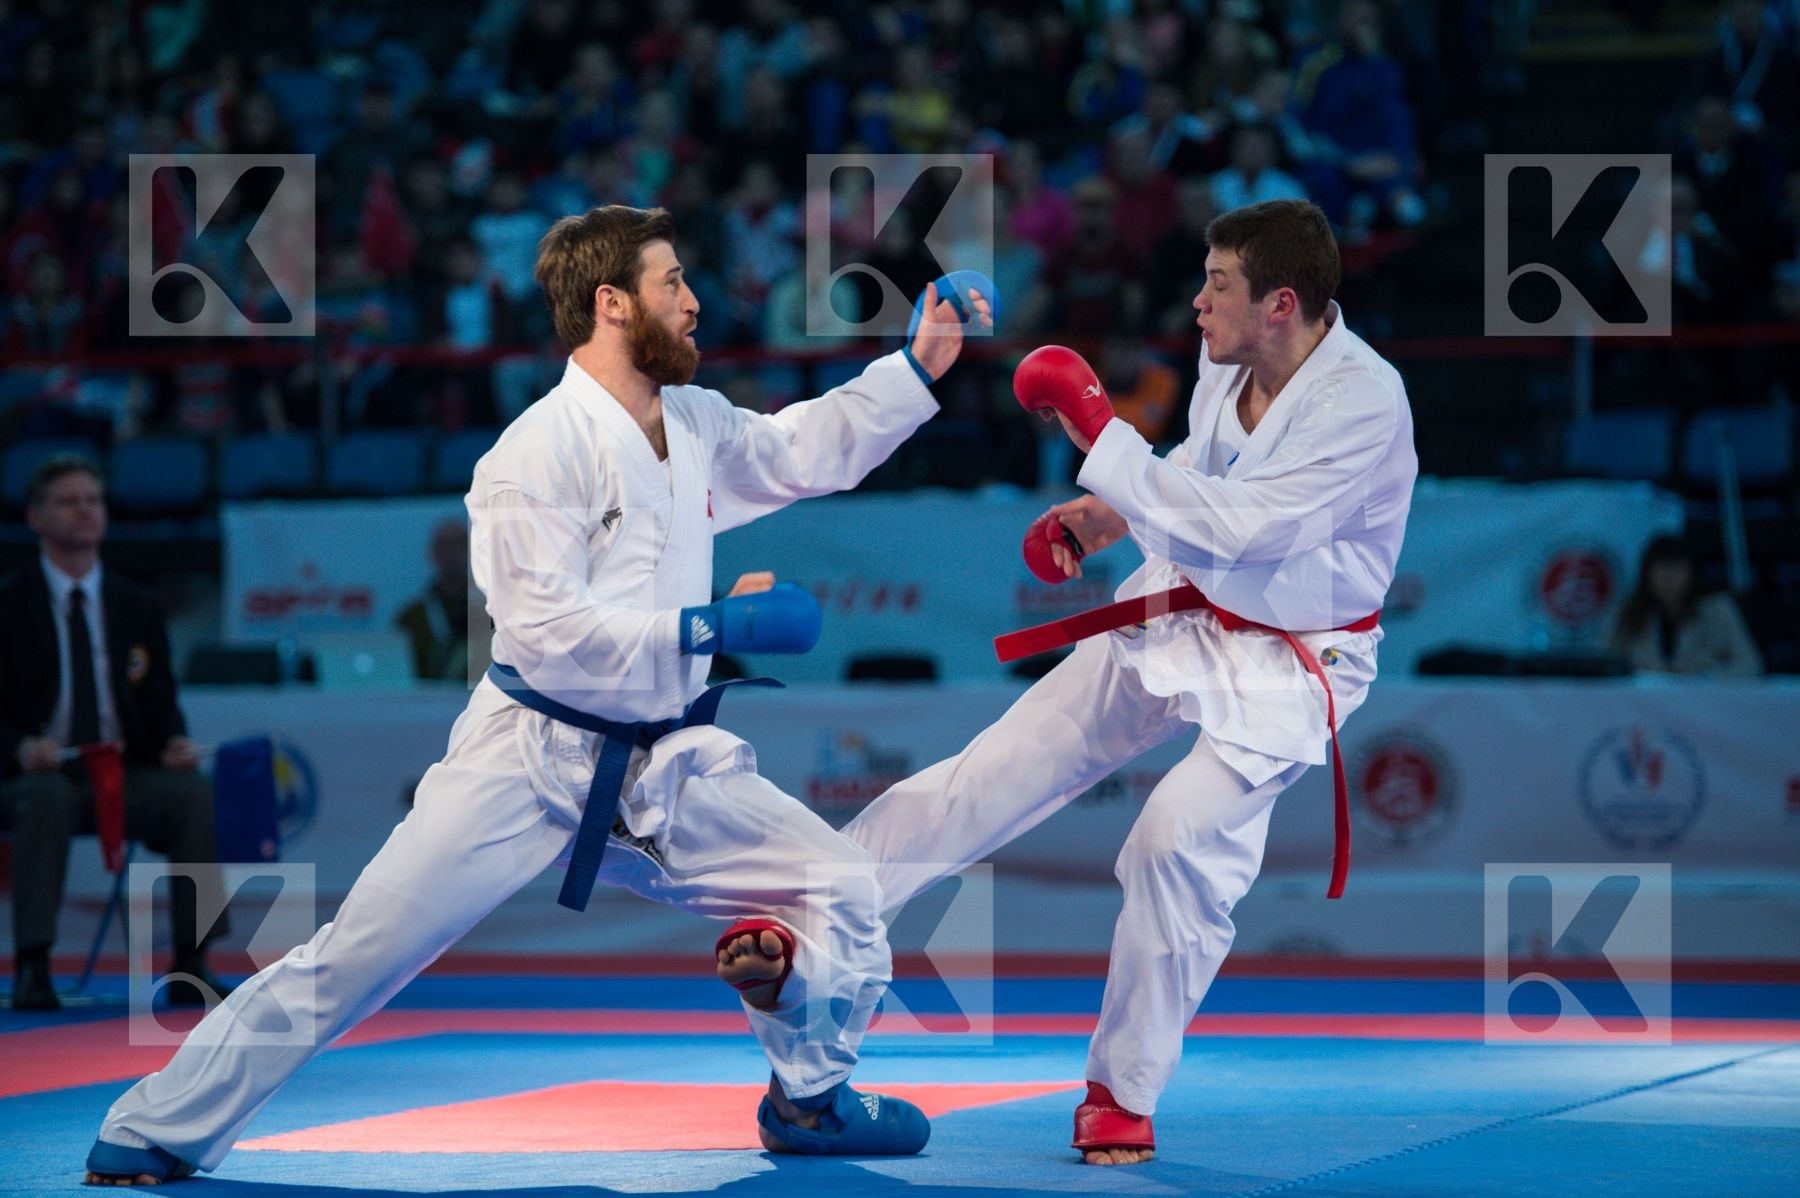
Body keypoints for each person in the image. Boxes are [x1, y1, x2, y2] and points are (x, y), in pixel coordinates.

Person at [83, 206, 994, 1184]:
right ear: (611, 304)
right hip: (526, 759)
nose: (696, 301)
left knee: (843, 885)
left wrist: (915, 370)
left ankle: (809, 1099)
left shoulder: (690, 422)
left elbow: (798, 451)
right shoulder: (532, 455)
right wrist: (708, 628)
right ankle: (156, 1123)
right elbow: (547, 636)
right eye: (672, 283)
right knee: (354, 958)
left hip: (662, 763)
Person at [843, 200, 1416, 1165]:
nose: (1196, 302)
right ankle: (814, 909)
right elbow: (1199, 465)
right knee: (990, 775)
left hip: (1290, 659)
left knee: (1174, 843)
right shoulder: (1229, 364)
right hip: (1181, 608)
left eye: (1217, 285)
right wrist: (1101, 517)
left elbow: (1245, 528)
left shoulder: (1364, 401)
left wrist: (1095, 425)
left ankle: (1123, 1087)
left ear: (1282, 303)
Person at [1, 456, 230, 1012]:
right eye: (69, 501)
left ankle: (190, 960)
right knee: (47, 797)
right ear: (36, 517)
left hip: (119, 775)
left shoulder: (135, 605)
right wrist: (19, 746)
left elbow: (160, 700)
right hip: (33, 777)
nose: (85, 511)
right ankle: (33, 964)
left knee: (190, 793)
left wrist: (173, 743)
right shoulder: (8, 604)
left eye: (93, 501)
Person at [1609, 534, 1762, 676]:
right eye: (1661, 568)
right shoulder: (1626, 611)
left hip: (1701, 699)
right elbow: (1604, 661)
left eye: (1678, 568)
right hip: (1641, 700)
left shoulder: (1718, 609)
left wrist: (1705, 674)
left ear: (1692, 572)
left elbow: (1750, 665)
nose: (1669, 577)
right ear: (1646, 574)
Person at [394, 517, 478, 681]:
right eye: (443, 546)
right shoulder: (411, 617)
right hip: (424, 703)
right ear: (432, 554)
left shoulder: (491, 612)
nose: (451, 553)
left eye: (458, 546)